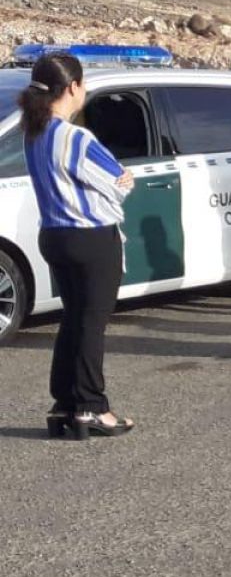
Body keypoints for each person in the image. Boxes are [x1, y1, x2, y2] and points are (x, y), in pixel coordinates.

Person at [19, 52, 135, 437]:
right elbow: (119, 182)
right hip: (91, 236)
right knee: (91, 323)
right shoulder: (76, 137)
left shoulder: (33, 132)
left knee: (73, 318)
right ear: (73, 87)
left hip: (54, 234)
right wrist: (124, 178)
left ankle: (64, 404)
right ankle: (91, 406)